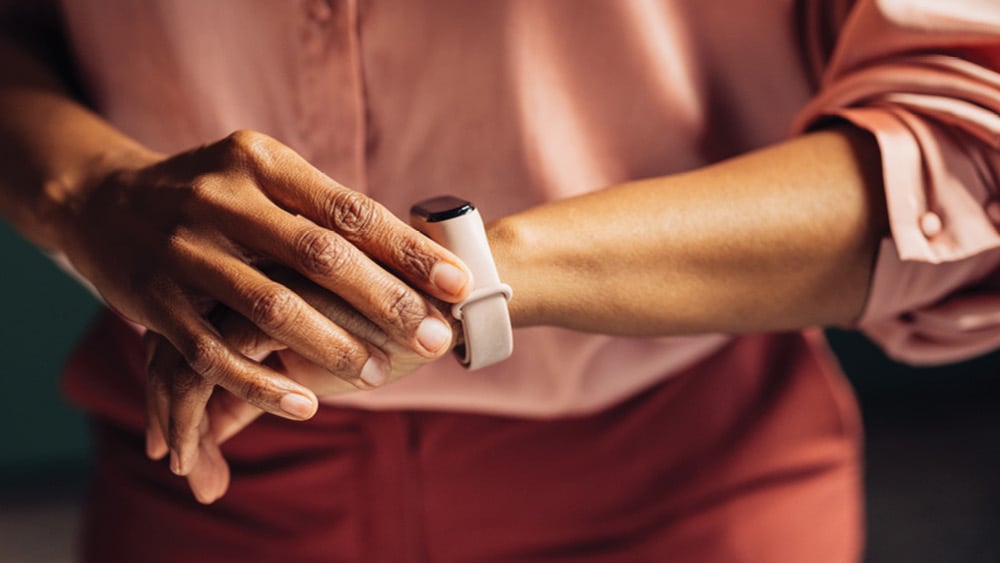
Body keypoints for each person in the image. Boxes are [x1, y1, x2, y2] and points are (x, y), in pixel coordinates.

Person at [1, 0, 998, 561]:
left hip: (686, 483)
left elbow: (967, 132)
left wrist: (470, 276)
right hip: (199, 476)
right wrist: (89, 189)